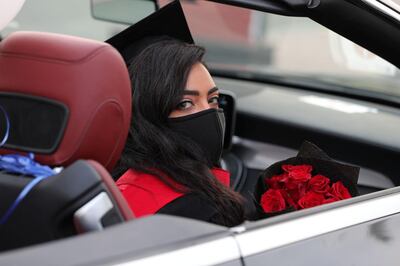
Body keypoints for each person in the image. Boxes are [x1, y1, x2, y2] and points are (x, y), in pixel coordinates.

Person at [109, 2, 246, 227]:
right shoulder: (196, 213)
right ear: (145, 112)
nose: (208, 114)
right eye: (185, 103)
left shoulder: (111, 184)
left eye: (212, 100)